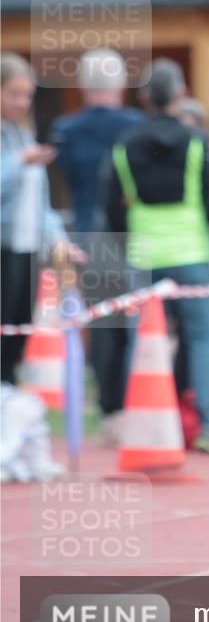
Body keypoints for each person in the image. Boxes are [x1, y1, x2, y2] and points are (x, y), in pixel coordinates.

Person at [106, 58, 209, 454]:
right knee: (202, 341)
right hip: (193, 253)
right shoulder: (197, 143)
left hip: (143, 255)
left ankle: (143, 428)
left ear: (144, 97)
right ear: (181, 95)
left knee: (143, 344)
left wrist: (121, 248)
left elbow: (112, 208)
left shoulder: (123, 146)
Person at [50, 49, 144, 445]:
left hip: (89, 234)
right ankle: (137, 406)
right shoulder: (136, 126)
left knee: (105, 326)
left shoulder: (66, 130)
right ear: (120, 85)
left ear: (84, 86)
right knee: (140, 325)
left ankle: (110, 410)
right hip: (134, 234)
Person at [0, 53, 84, 382]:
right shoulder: (19, 149)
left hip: (26, 251)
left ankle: (7, 403)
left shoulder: (22, 137)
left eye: (27, 95)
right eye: (14, 94)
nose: (22, 103)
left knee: (19, 330)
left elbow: (42, 205)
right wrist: (20, 161)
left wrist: (61, 242)